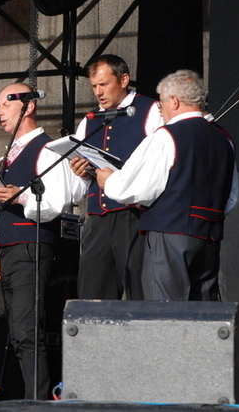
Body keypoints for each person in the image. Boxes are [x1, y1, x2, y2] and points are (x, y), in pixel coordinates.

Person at [95, 70, 238, 301]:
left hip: (170, 233)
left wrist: (108, 181)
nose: (160, 109)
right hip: (209, 237)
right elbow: (231, 197)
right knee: (204, 311)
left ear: (175, 101)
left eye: (161, 103)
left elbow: (135, 188)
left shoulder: (166, 136)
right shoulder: (224, 138)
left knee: (165, 310)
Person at [0, 83, 79, 400]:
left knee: (28, 331)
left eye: (5, 105)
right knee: (14, 331)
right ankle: (21, 395)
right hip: (8, 250)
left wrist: (21, 196)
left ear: (27, 107)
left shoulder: (47, 149)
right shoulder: (8, 155)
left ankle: (38, 400)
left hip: (31, 247)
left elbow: (57, 201)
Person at [69, 54, 162, 300]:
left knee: (138, 288)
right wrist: (81, 171)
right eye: (94, 86)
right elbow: (81, 181)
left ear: (124, 80)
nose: (98, 92)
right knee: (93, 291)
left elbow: (160, 164)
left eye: (104, 84)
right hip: (98, 217)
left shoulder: (150, 110)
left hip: (134, 215)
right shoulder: (89, 121)